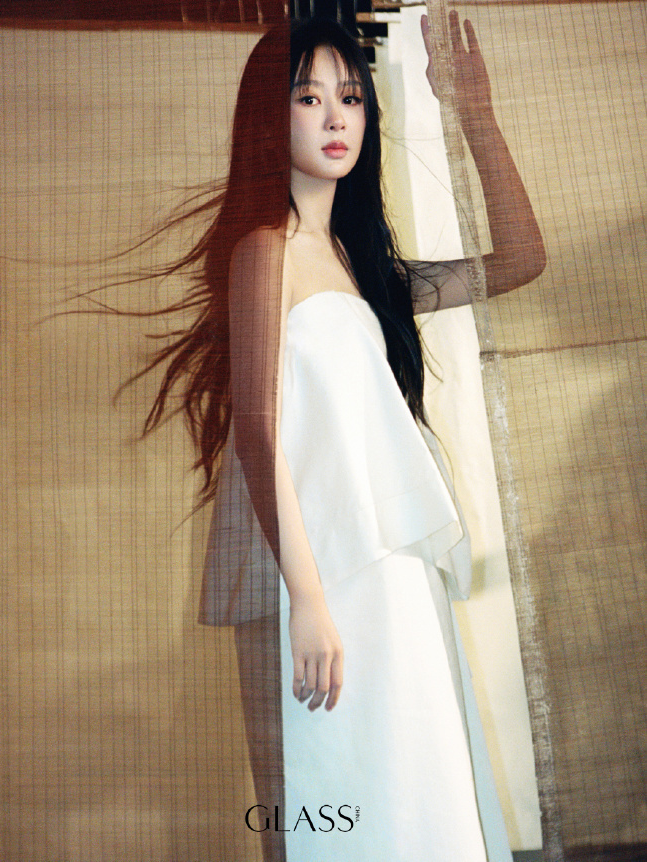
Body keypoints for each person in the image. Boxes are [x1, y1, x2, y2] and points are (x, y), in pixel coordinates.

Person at [146, 13, 545, 861]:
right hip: (319, 578)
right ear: (270, 116)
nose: (336, 117)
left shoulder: (365, 269)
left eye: (352, 97)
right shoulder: (264, 251)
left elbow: (520, 260)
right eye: (309, 97)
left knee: (419, 793)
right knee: (332, 802)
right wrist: (310, 602)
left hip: (396, 574)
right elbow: (258, 434)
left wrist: (473, 111)